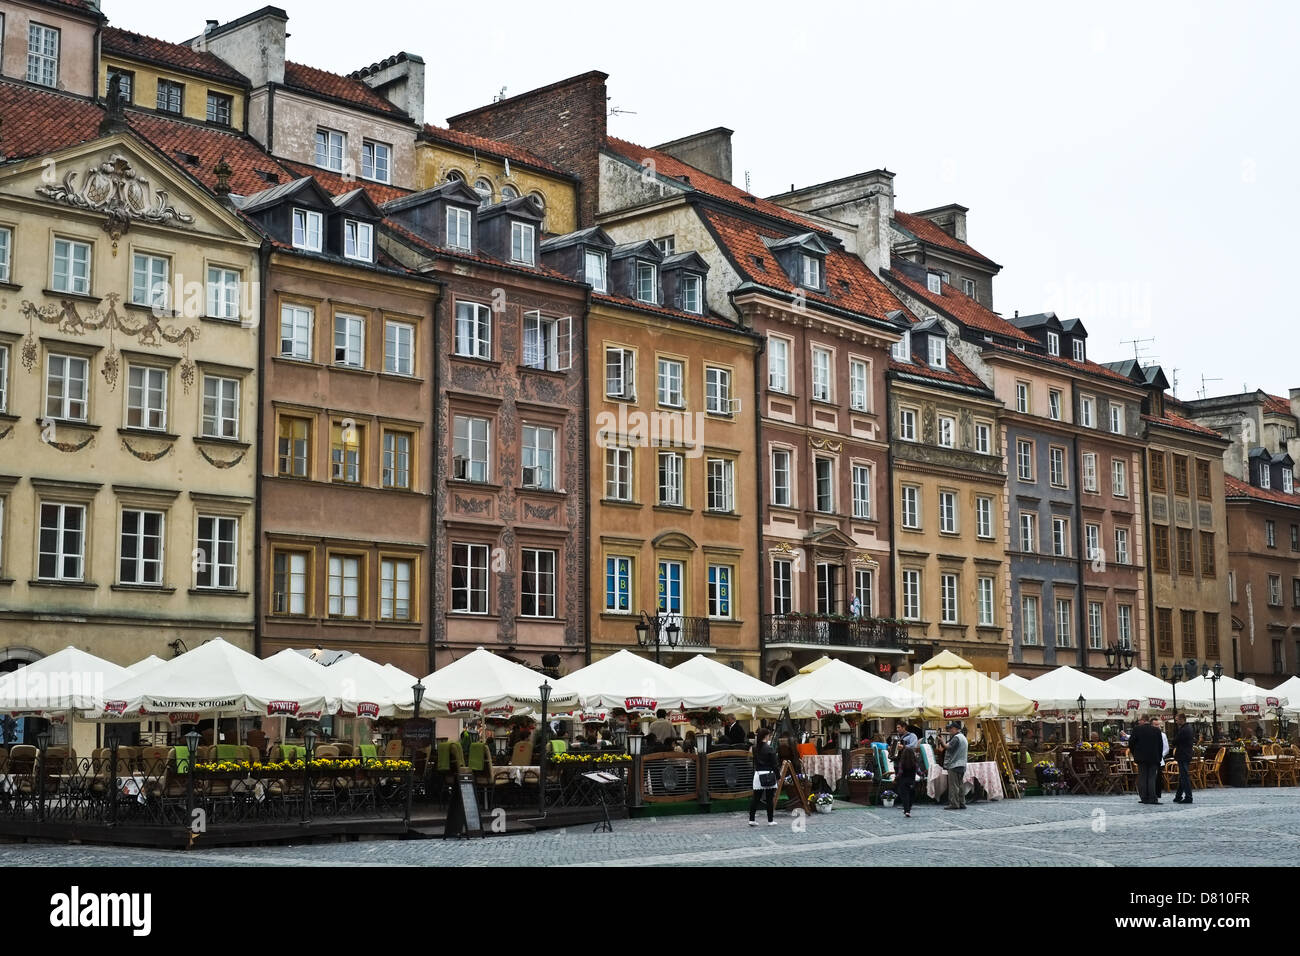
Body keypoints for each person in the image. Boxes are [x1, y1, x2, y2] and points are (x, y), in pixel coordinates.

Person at [749, 728, 780, 826]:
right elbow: (775, 765)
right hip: (769, 774)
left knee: (756, 798)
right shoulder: (770, 748)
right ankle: (770, 820)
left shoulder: (755, 748)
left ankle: (751, 819)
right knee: (769, 799)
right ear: (766, 736)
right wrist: (778, 777)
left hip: (758, 774)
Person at [1130, 715, 1164, 804]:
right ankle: (1152, 798)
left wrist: (1135, 754)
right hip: (1154, 757)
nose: (1138, 722)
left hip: (1141, 758)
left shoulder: (1137, 729)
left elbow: (1131, 743)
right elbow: (1160, 745)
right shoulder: (1156, 730)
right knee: (1152, 778)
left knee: (1142, 777)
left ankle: (1144, 797)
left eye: (1139, 720)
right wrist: (1159, 757)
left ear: (1143, 720)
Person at [936, 721, 968, 809]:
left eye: (950, 729)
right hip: (962, 764)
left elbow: (949, 748)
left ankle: (954, 804)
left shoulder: (956, 738)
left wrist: (942, 742)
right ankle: (962, 802)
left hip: (955, 764)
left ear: (955, 729)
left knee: (954, 785)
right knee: (960, 785)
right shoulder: (963, 737)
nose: (949, 731)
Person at [1172, 713, 1195, 804]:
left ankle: (1189, 797)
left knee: (1184, 776)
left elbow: (1175, 741)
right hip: (1186, 754)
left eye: (1177, 720)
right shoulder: (1188, 728)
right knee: (1182, 776)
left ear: (1182, 719)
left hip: (1183, 755)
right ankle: (1178, 796)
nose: (1176, 721)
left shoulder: (1184, 729)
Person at [895, 743, 919, 818]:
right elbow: (919, 771)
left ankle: (907, 811)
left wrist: (896, 778)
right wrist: (923, 775)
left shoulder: (902, 763)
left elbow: (900, 773)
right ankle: (909, 808)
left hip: (903, 782)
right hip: (911, 781)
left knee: (905, 796)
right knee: (912, 795)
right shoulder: (914, 763)